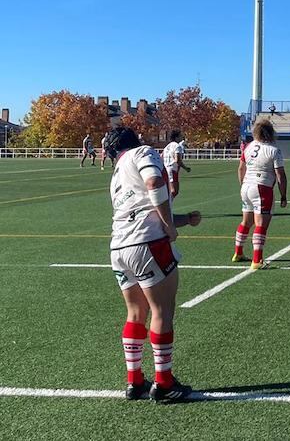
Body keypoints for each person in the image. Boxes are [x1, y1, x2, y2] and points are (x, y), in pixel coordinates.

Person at [106, 126, 201, 403]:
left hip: (119, 247)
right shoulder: (144, 152)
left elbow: (140, 210)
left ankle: (135, 381)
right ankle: (164, 382)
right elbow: (154, 185)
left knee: (135, 313)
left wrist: (182, 219)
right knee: (162, 310)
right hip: (149, 244)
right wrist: (172, 225)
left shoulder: (117, 173)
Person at [233, 120, 287, 268]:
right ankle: (257, 260)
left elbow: (240, 169)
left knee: (246, 222)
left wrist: (242, 185)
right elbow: (280, 175)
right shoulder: (273, 150)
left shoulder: (249, 147)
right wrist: (283, 195)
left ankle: (238, 252)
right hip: (262, 187)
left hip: (246, 187)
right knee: (261, 224)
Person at [162, 131, 191, 198]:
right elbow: (177, 160)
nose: (182, 137)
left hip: (166, 169)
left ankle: (167, 204)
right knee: (174, 191)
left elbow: (161, 156)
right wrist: (186, 168)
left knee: (170, 190)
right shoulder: (177, 146)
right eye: (180, 136)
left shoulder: (167, 147)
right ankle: (167, 205)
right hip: (172, 170)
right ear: (176, 137)